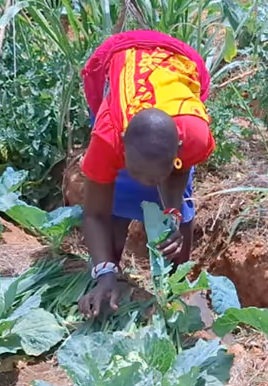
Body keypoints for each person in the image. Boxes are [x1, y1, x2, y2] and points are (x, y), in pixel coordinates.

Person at [77, 30, 215, 318]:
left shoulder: (194, 136)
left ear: (177, 150)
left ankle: (176, 290)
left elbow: (180, 171)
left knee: (180, 220)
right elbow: (94, 214)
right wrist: (104, 273)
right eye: (136, 171)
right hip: (117, 61)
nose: (147, 183)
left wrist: (174, 213)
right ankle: (109, 273)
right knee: (117, 201)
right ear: (123, 149)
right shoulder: (107, 139)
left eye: (156, 176)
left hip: (179, 63)